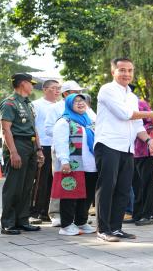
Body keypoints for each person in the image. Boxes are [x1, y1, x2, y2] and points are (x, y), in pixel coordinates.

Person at [94, 57, 153, 242]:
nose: (126, 74)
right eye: (122, 70)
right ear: (113, 72)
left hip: (127, 149)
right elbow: (125, 114)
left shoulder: (132, 95)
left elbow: (137, 124)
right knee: (106, 188)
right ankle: (103, 229)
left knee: (123, 189)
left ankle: (116, 227)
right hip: (108, 145)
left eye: (130, 70)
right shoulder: (107, 90)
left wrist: (149, 141)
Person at [0, 73, 44, 235]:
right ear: (23, 84)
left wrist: (39, 149)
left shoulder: (28, 104)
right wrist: (13, 152)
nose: (32, 86)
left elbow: (34, 128)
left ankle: (22, 220)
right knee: (14, 186)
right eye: (31, 83)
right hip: (17, 144)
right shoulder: (9, 103)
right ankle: (8, 223)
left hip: (30, 145)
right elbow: (6, 129)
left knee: (27, 186)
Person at [44, 80, 93, 227]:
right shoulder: (57, 110)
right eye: (75, 93)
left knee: (83, 187)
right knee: (65, 185)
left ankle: (80, 218)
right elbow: (48, 129)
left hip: (85, 156)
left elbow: (96, 124)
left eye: (80, 94)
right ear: (66, 94)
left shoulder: (86, 109)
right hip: (65, 152)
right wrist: (69, 132)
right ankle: (58, 215)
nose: (79, 97)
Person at [53, 94, 97, 236]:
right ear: (69, 104)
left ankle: (81, 222)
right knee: (70, 194)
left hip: (90, 164)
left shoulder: (89, 120)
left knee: (87, 195)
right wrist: (64, 161)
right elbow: (60, 142)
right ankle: (66, 225)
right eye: (76, 101)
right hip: (72, 164)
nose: (80, 103)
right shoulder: (64, 121)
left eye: (82, 101)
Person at [29, 79, 60, 224]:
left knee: (54, 181)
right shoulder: (36, 105)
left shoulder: (61, 106)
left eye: (59, 88)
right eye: (54, 88)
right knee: (41, 180)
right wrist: (37, 148)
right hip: (43, 146)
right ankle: (33, 212)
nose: (57, 91)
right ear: (45, 89)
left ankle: (47, 212)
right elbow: (32, 127)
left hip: (57, 146)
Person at [132, 98, 153, 226]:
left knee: (148, 184)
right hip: (132, 151)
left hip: (145, 151)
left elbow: (150, 122)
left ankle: (150, 214)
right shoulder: (124, 102)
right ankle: (137, 214)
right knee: (136, 185)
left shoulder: (139, 103)